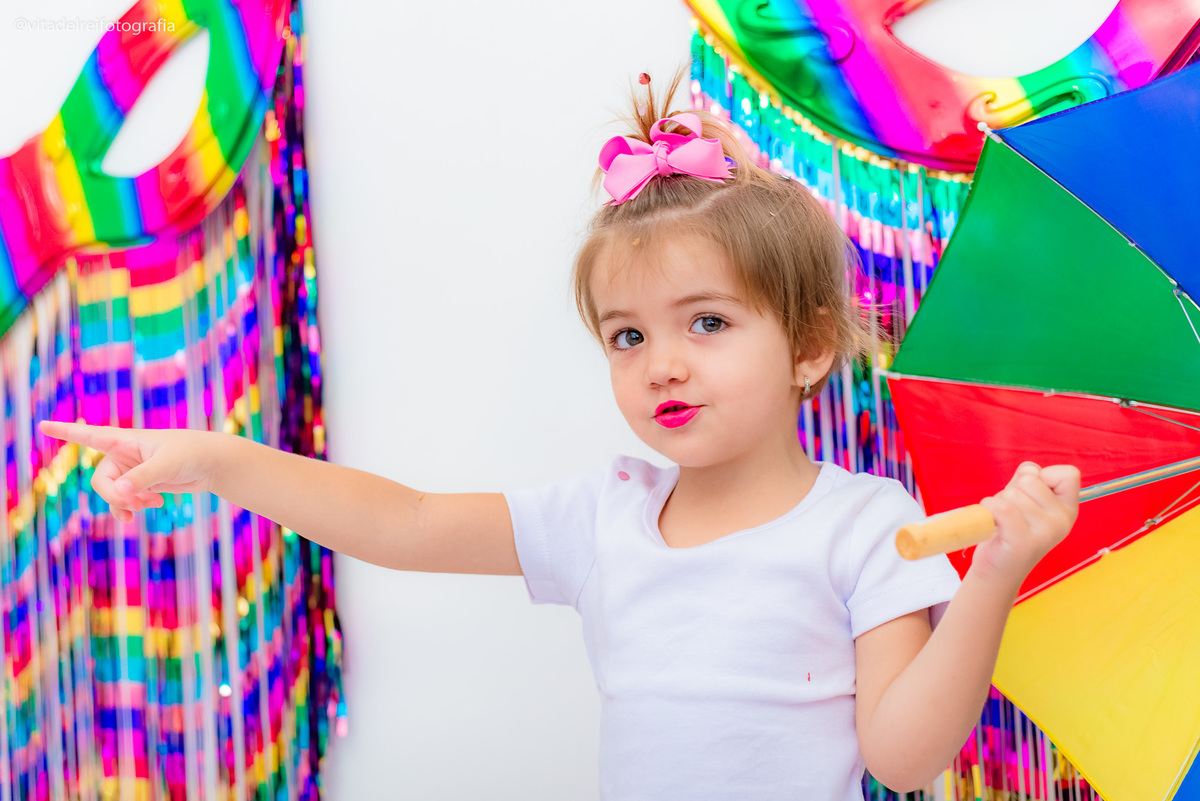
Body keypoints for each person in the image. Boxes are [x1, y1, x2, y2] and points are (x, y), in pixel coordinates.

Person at [40, 74, 1080, 800]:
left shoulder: (867, 527)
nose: (661, 363)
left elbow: (899, 760)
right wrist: (217, 459)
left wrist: (988, 578)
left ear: (809, 347)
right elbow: (399, 521)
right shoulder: (608, 514)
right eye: (628, 336)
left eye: (707, 324)